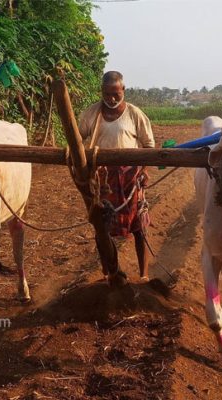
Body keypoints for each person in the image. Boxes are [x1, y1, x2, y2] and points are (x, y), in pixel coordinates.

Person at [78, 71, 155, 281]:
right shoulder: (91, 114)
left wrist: (144, 170)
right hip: (102, 180)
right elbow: (77, 140)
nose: (111, 99)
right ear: (101, 92)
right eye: (106, 94)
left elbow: (148, 144)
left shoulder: (134, 114)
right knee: (103, 227)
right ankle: (109, 272)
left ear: (124, 91)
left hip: (131, 177)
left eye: (115, 94)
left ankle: (144, 275)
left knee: (139, 226)